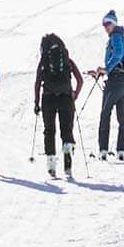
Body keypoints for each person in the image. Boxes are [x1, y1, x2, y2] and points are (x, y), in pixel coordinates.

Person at [33, 30, 84, 179]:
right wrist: (75, 94)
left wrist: (37, 103)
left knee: (49, 131)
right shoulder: (67, 60)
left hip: (48, 98)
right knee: (66, 130)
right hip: (66, 98)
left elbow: (37, 83)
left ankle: (51, 165)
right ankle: (67, 154)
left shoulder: (44, 61)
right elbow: (80, 80)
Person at [91, 10, 124, 159]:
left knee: (105, 114)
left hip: (115, 80)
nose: (105, 27)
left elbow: (118, 55)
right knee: (122, 115)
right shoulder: (122, 36)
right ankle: (121, 150)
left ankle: (103, 150)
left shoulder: (115, 36)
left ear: (114, 23)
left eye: (108, 23)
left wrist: (106, 68)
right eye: (104, 24)